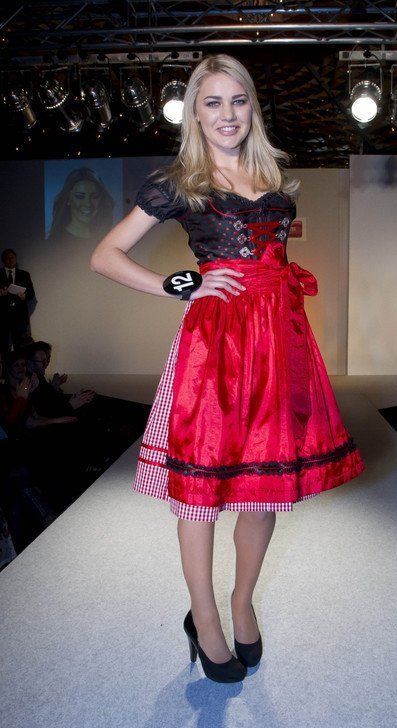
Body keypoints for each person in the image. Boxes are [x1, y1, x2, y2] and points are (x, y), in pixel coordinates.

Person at [91, 54, 365, 684]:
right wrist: (180, 285)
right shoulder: (179, 182)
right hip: (216, 346)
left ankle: (243, 603)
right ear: (195, 112)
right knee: (201, 491)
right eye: (212, 102)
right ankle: (205, 617)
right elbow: (105, 255)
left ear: (252, 108)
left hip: (280, 343)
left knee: (264, 485)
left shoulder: (274, 176)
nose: (227, 114)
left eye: (238, 100)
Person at [47, 167, 115, 245]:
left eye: (94, 196)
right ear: (68, 199)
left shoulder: (107, 240)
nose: (88, 203)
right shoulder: (53, 243)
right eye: (80, 196)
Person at [0, 249, 36, 358]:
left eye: (12, 257)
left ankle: (20, 368)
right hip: (3, 316)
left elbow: (31, 293)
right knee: (3, 347)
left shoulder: (24, 274)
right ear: (3, 260)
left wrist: (24, 296)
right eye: (7, 258)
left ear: (16, 259)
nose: (10, 260)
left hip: (20, 316)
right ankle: (5, 368)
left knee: (21, 347)